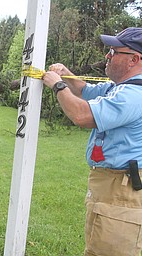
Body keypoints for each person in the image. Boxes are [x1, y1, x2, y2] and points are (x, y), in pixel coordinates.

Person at [42, 27, 142, 256]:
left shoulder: (134, 96)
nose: (107, 56)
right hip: (114, 188)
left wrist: (58, 85)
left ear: (134, 59)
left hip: (121, 192)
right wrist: (67, 75)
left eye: (114, 52)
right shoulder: (120, 88)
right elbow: (86, 91)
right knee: (98, 247)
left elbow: (82, 115)